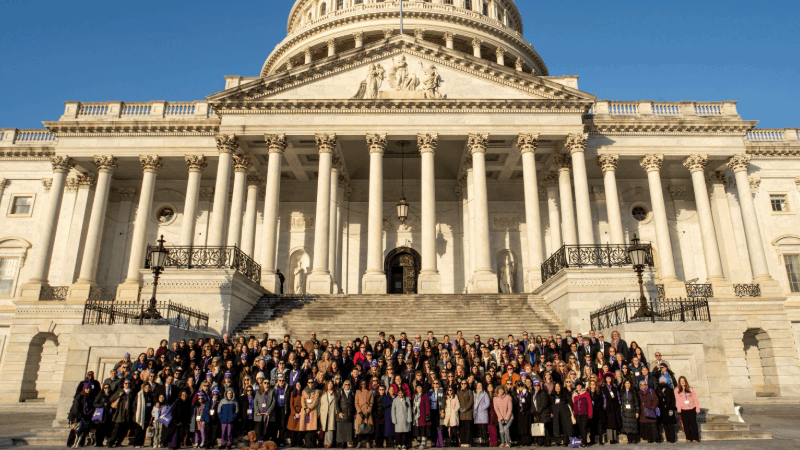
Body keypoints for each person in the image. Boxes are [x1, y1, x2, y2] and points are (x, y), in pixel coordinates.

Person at [108, 379, 136, 448]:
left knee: (124, 430)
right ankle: (111, 443)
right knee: (116, 429)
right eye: (126, 383)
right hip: (120, 413)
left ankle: (119, 442)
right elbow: (111, 399)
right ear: (123, 384)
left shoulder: (132, 392)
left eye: (128, 383)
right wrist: (119, 396)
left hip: (128, 413)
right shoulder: (120, 391)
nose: (127, 385)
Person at [675, 377, 700, 443]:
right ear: (679, 382)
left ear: (686, 381)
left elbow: (695, 398)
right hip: (683, 409)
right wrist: (678, 408)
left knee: (693, 424)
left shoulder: (690, 389)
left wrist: (697, 408)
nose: (682, 382)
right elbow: (677, 400)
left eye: (684, 381)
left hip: (692, 408)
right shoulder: (677, 389)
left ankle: (695, 438)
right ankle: (688, 437)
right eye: (681, 381)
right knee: (686, 424)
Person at [600, 373, 622, 444]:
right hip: (607, 407)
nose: (608, 379)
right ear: (605, 379)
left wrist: (618, 403)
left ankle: (615, 438)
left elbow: (618, 396)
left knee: (615, 423)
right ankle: (610, 439)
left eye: (610, 378)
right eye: (607, 378)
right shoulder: (603, 387)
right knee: (609, 423)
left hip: (614, 406)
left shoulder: (614, 386)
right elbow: (603, 397)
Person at [550, 383, 572, 447]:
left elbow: (569, 401)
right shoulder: (552, 395)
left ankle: (566, 441)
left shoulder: (564, 394)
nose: (557, 388)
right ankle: (558, 441)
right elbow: (550, 404)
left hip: (564, 412)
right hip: (555, 412)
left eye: (558, 386)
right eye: (556, 386)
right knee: (556, 427)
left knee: (564, 427)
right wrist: (551, 412)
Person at [132, 382, 154, 448]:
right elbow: (135, 405)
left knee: (144, 430)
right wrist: (135, 413)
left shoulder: (150, 395)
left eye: (148, 387)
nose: (147, 388)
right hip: (140, 414)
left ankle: (141, 443)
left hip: (147, 414)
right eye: (146, 387)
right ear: (143, 387)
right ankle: (136, 443)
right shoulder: (139, 394)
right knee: (138, 430)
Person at [656, 376, 677, 443]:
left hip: (669, 408)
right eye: (661, 381)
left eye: (663, 381)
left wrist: (672, 408)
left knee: (670, 424)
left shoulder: (670, 389)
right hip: (662, 409)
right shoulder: (658, 389)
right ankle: (668, 438)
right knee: (665, 424)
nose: (662, 382)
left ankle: (672, 438)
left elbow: (673, 400)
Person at [531, 379, 552, 446]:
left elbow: (544, 403)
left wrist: (539, 410)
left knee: (544, 427)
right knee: (540, 427)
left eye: (538, 386)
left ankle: (547, 441)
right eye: (535, 386)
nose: (536, 387)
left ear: (540, 386)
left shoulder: (543, 393)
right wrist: (533, 411)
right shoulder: (533, 394)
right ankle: (541, 441)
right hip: (537, 413)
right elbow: (532, 404)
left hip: (543, 413)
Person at [619, 380, 640, 445]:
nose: (627, 384)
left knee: (633, 425)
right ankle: (629, 439)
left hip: (632, 410)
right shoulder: (622, 392)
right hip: (625, 410)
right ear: (624, 384)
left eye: (628, 383)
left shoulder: (633, 391)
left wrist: (637, 412)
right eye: (626, 383)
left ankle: (634, 439)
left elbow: (636, 402)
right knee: (627, 425)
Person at [355, 379, 374, 448]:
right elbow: (356, 403)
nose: (363, 385)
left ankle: (368, 442)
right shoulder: (357, 392)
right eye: (362, 383)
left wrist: (368, 411)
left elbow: (371, 403)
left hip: (367, 410)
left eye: (365, 383)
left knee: (368, 427)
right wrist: (359, 412)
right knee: (359, 427)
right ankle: (359, 442)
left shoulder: (370, 392)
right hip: (360, 411)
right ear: (360, 385)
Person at [337, 380, 356, 448]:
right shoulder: (341, 392)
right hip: (343, 412)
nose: (347, 386)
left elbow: (354, 404)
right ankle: (342, 443)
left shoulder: (352, 393)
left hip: (350, 413)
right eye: (346, 384)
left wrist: (355, 412)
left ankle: (348, 442)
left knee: (348, 428)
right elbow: (337, 403)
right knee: (342, 428)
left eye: (348, 384)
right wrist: (339, 412)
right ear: (344, 385)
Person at [572, 382, 592, 448]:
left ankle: (584, 442)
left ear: (581, 386)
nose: (578, 387)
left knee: (584, 428)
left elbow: (589, 404)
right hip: (578, 414)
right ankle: (582, 442)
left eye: (580, 385)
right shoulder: (574, 394)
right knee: (580, 428)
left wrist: (590, 414)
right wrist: (574, 414)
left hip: (584, 414)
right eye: (577, 386)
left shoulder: (586, 393)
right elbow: (574, 405)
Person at [412, 384, 431, 449]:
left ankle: (423, 443)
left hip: (422, 415)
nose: (419, 389)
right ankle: (418, 442)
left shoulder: (424, 395)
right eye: (417, 388)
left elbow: (427, 405)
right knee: (417, 429)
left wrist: (427, 414)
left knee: (423, 429)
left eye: (420, 387)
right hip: (416, 416)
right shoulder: (414, 396)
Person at [456, 380, 474, 448]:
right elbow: (457, 400)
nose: (463, 385)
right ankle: (463, 441)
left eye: (465, 383)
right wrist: (459, 408)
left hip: (468, 412)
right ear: (460, 384)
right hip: (461, 413)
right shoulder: (458, 392)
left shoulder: (470, 391)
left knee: (468, 428)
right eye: (462, 383)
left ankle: (468, 442)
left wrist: (466, 408)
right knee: (462, 428)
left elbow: (471, 401)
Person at [320, 381, 338, 449]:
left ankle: (329, 442)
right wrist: (319, 413)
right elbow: (320, 403)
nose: (330, 385)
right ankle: (325, 442)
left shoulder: (335, 393)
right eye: (329, 383)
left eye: (331, 383)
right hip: (324, 412)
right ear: (326, 385)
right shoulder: (323, 393)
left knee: (330, 427)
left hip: (332, 411)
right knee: (325, 427)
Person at [473, 381, 491, 446]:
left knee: (483, 428)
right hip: (477, 413)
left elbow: (487, 403)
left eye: (480, 385)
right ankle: (482, 440)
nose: (479, 387)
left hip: (482, 413)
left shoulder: (484, 393)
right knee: (479, 428)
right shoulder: (474, 393)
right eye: (478, 385)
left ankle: (485, 441)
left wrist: (481, 408)